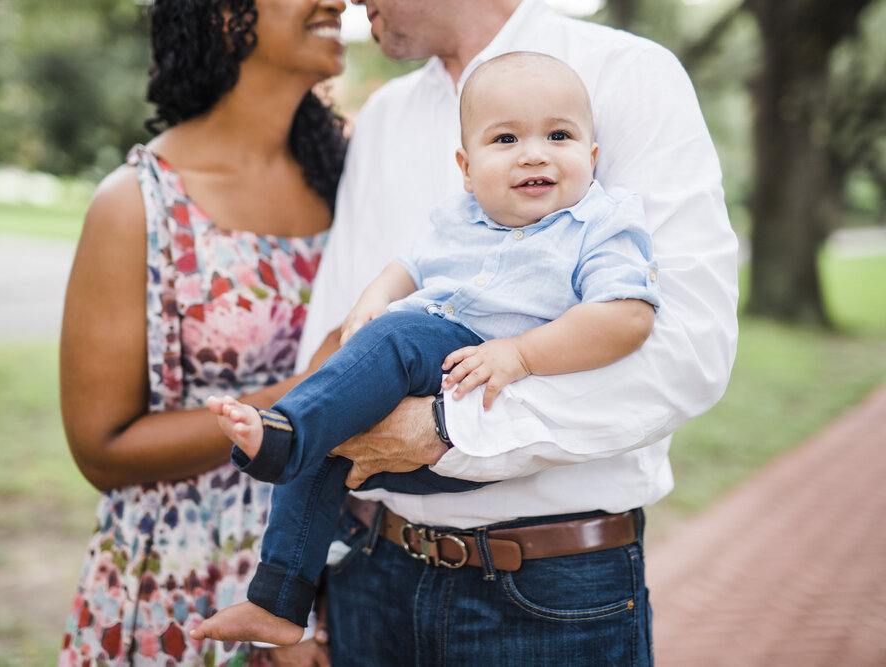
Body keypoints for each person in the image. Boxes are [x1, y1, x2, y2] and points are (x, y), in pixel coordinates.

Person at [293, 1, 741, 665]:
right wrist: (306, 593)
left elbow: (686, 352)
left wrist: (445, 428)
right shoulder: (384, 115)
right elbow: (334, 341)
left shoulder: (628, 76)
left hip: (548, 593)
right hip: (366, 578)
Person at [191, 52, 661, 646]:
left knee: (394, 336)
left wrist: (519, 355)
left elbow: (627, 318)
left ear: (591, 158)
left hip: (473, 387)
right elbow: (409, 264)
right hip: (414, 478)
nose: (535, 152)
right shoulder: (461, 217)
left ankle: (287, 433)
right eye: (507, 138)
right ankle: (279, 599)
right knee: (334, 444)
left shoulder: (599, 222)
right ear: (467, 169)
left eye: (559, 135)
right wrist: (375, 294)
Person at [57, 0, 349, 664]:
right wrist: (304, 392)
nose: (336, 0)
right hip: (184, 581)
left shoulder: (345, 182)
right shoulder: (137, 203)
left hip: (330, 581)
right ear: (223, 13)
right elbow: (101, 447)